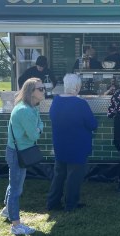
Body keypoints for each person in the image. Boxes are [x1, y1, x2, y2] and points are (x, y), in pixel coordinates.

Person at [0, 78, 45, 235]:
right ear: (31, 92)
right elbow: (34, 134)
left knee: (15, 184)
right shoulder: (25, 110)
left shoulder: (31, 107)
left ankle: (7, 210)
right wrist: (39, 128)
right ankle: (16, 225)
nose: (44, 91)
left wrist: (38, 126)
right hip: (18, 153)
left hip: (17, 151)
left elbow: (38, 124)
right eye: (40, 88)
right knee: (16, 189)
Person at [47, 74, 98, 212]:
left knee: (59, 175)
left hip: (60, 145)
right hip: (78, 147)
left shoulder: (56, 101)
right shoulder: (81, 104)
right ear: (77, 87)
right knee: (73, 177)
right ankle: (71, 205)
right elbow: (93, 124)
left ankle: (52, 202)